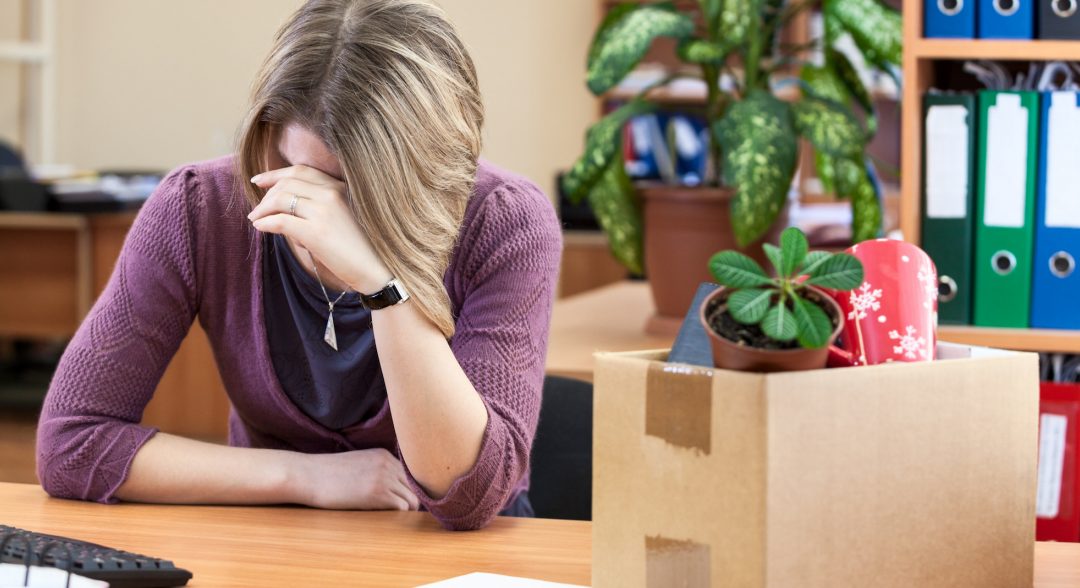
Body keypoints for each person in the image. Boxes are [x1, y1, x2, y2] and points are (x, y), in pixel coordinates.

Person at [35, 0, 561, 531]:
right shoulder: (199, 207)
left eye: (350, 189)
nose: (311, 205)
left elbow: (467, 495)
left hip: (459, 554)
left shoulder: (506, 221)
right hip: (275, 538)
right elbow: (71, 443)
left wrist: (382, 287)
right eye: (289, 167)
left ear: (426, 170)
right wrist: (307, 477)